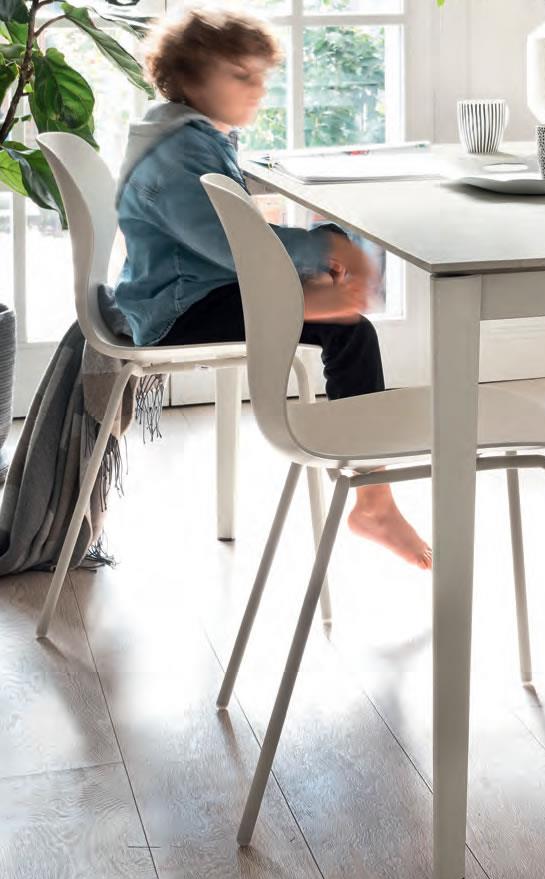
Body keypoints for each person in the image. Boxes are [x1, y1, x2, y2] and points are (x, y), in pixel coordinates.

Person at [114, 7, 431, 569]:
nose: (258, 89)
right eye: (241, 75)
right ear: (189, 79)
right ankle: (373, 501)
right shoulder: (178, 155)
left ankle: (369, 487)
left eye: (261, 75)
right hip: (180, 313)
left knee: (333, 283)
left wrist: (321, 256)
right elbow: (235, 245)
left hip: (201, 291)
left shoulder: (189, 137)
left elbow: (238, 241)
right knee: (349, 328)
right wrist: (327, 251)